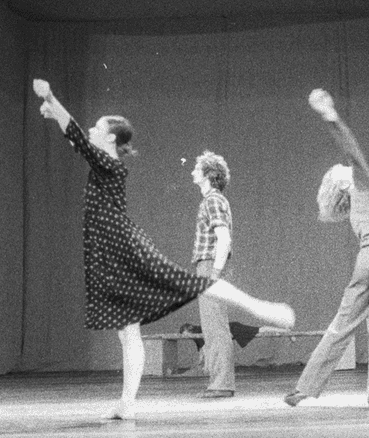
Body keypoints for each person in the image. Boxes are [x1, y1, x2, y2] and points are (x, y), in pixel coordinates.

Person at [32, 79, 294, 420]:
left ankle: (261, 309)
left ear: (110, 138)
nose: (92, 131)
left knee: (189, 284)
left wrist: (53, 99)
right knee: (127, 332)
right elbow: (77, 137)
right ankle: (126, 404)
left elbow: (78, 138)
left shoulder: (109, 163)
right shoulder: (104, 162)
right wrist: (53, 112)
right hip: (109, 256)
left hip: (123, 248)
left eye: (98, 128)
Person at [284, 89, 369, 407]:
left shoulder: (354, 206)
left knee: (341, 324)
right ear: (347, 181)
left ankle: (305, 388)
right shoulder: (364, 186)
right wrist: (332, 117)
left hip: (365, 261)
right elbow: (353, 152)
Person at [190, 150, 237, 398]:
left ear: (208, 174)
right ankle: (219, 381)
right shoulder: (213, 200)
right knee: (212, 326)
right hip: (207, 266)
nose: (192, 173)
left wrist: (215, 273)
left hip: (210, 266)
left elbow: (224, 238)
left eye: (197, 169)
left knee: (215, 326)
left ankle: (221, 384)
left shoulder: (213, 200)